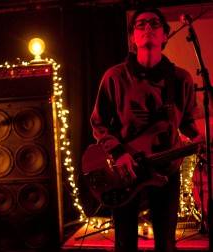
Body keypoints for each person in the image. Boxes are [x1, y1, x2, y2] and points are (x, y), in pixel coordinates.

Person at [89, 7, 203, 252]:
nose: (147, 28)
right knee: (125, 242)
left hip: (166, 170)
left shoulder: (181, 79)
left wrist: (198, 137)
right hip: (125, 172)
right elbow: (98, 123)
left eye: (154, 24)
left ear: (165, 35)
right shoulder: (115, 77)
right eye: (140, 25)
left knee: (166, 242)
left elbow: (186, 121)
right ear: (132, 37)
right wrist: (119, 153)